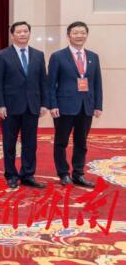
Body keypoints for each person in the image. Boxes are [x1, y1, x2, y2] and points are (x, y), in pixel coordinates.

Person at [0, 21, 48, 189]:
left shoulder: (38, 55)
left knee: (30, 143)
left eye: (25, 31)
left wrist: (44, 103)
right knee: (9, 143)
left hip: (32, 106)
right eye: (19, 32)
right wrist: (0, 105)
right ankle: (11, 175)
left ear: (29, 34)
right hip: (10, 107)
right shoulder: (2, 55)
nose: (22, 34)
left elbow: (43, 81)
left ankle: (28, 174)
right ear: (12, 35)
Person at [48, 21, 103, 187]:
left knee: (81, 143)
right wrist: (53, 105)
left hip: (86, 106)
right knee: (61, 142)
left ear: (87, 35)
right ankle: (63, 173)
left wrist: (98, 105)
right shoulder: (58, 56)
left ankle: (78, 174)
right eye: (75, 33)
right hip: (64, 107)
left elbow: (97, 83)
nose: (79, 36)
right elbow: (51, 83)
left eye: (82, 33)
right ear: (68, 36)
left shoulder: (93, 57)